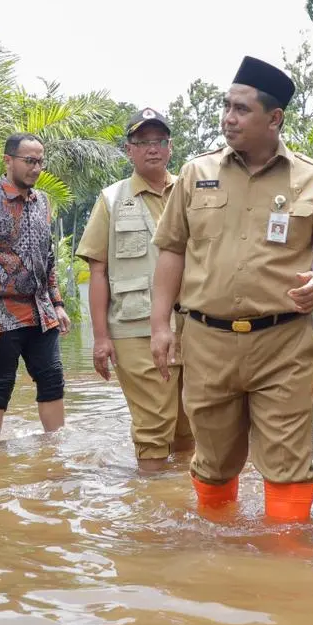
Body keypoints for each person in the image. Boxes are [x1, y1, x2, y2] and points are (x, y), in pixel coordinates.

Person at [150, 57, 313, 522]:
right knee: (214, 461)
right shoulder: (195, 173)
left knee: (288, 463)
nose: (228, 117)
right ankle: (220, 561)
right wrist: (159, 325)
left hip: (283, 344)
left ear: (274, 118)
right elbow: (171, 251)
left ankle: (288, 568)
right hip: (207, 343)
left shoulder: (312, 179)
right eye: (226, 107)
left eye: (241, 109)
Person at [77, 107, 193, 472]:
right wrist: (100, 338)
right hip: (135, 328)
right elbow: (99, 271)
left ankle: (182, 508)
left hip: (194, 325)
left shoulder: (192, 192)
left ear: (170, 147)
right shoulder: (112, 199)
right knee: (153, 426)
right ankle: (152, 513)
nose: (151, 149)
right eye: (141, 142)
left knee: (191, 423)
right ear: (129, 150)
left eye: (158, 141)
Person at [0, 133, 71, 446]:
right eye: (29, 161)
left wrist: (58, 303)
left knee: (52, 381)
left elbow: (48, 258)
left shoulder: (42, 202)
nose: (36, 168)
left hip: (41, 312)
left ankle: (54, 455)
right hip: (0, 314)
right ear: (8, 161)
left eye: (40, 162)